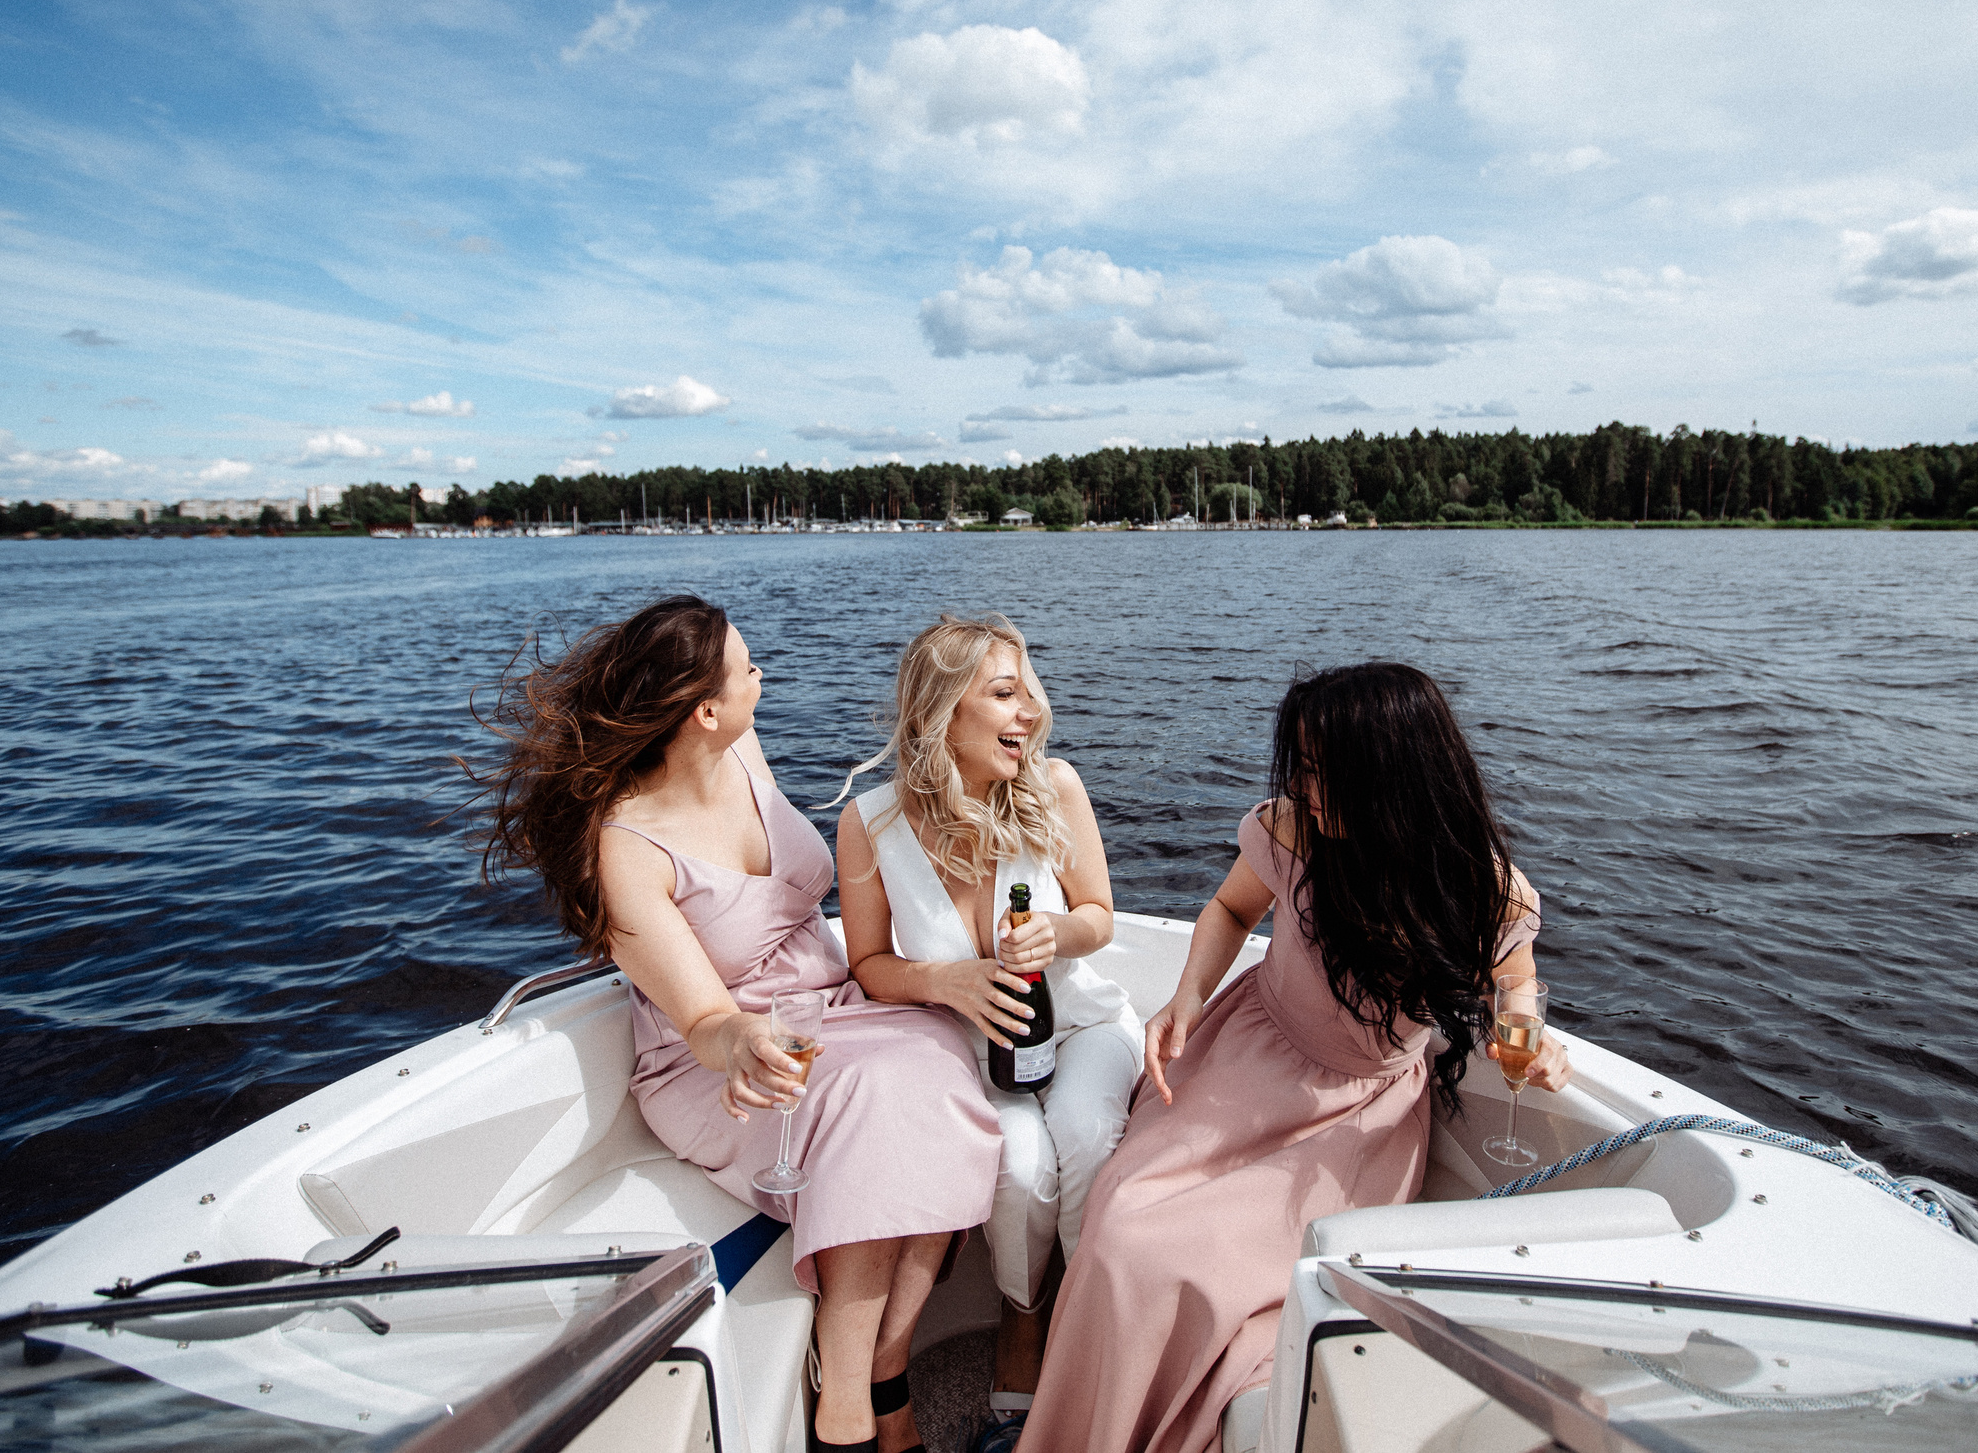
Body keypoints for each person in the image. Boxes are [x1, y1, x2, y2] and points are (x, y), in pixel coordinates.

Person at [479, 595, 1000, 1453]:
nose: (763, 676)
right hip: (721, 1064)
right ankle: (847, 1415)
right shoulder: (630, 849)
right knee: (871, 1102)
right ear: (704, 709)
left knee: (944, 1051)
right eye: (747, 669)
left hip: (829, 1009)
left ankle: (882, 1362)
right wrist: (744, 1042)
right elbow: (706, 1020)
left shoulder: (739, 745)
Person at [1019, 662, 1569, 1453]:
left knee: (1201, 1268)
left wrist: (1530, 1039)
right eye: (1301, 766)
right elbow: (1232, 907)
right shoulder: (1288, 832)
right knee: (1120, 1229)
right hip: (1245, 1059)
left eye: (1324, 769)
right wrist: (1187, 997)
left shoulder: (1483, 888)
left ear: (1391, 771)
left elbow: (1513, 986)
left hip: (1357, 1119)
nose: (1306, 787)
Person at [834, 615, 1144, 1452]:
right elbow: (866, 960)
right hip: (968, 1050)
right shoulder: (870, 824)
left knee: (1082, 1132)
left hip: (1081, 1025)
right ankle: (1024, 1315)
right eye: (1005, 695)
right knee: (1016, 1164)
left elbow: (1100, 915)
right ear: (942, 710)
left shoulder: (1057, 787)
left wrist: (1057, 932)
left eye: (1028, 693)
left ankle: (1094, 1320)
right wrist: (943, 980)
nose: (1030, 715)